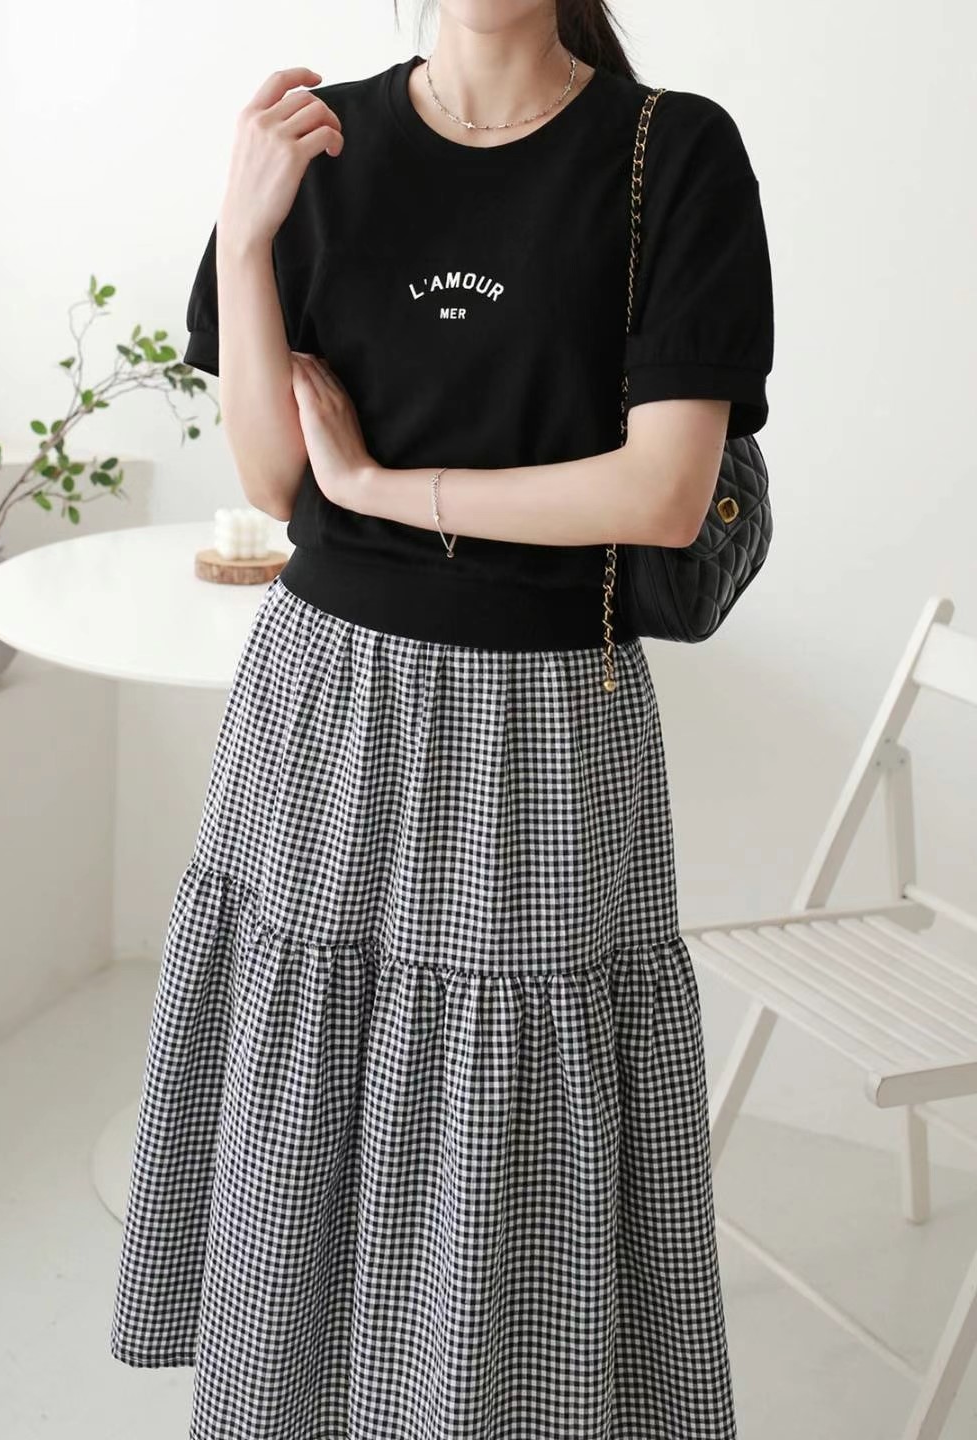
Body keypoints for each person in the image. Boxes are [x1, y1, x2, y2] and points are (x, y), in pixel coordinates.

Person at [109, 4, 774, 1437]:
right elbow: (276, 478)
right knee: (305, 1088)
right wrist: (245, 239)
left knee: (504, 1126)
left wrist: (380, 491)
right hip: (322, 698)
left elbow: (663, 492)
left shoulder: (672, 152)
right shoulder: (320, 144)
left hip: (543, 721)